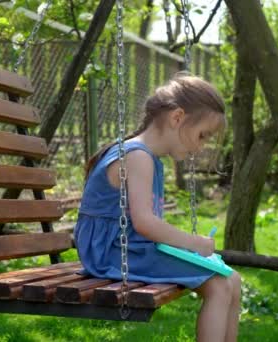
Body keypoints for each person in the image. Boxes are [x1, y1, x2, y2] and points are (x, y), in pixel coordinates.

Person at [74, 73, 241, 341]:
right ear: (177, 118)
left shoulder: (147, 157)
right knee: (219, 286)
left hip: (126, 248)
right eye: (202, 135)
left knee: (233, 280)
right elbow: (144, 222)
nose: (201, 146)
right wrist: (193, 243)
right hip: (113, 253)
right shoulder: (138, 156)